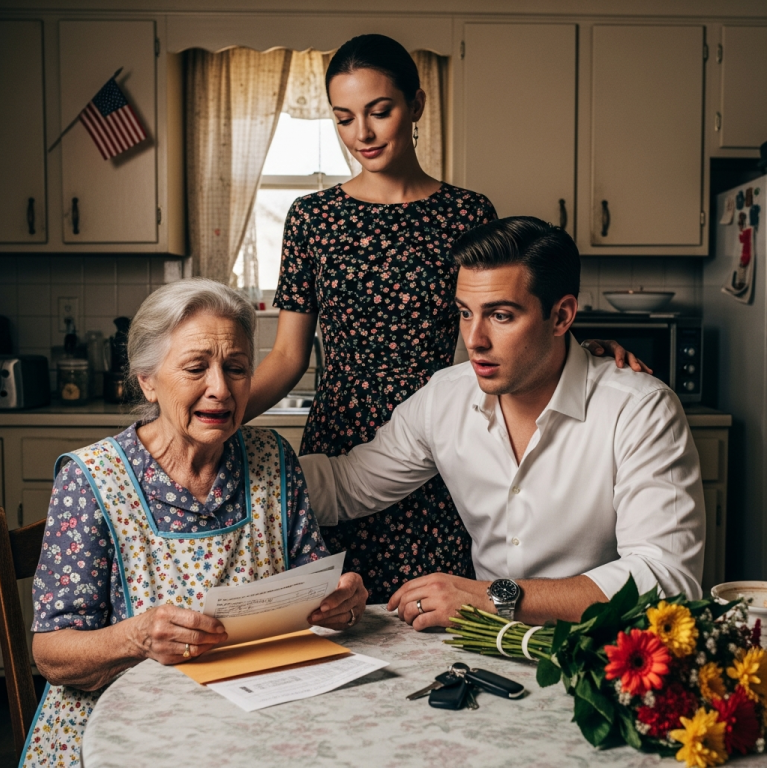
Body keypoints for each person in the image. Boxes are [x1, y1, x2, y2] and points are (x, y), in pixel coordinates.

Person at [245, 33, 646, 603]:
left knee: (441, 611)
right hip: (343, 442)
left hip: (451, 441)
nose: (362, 133)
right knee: (338, 610)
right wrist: (208, 419)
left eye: (379, 111)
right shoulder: (312, 217)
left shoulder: (467, 211)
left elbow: (510, 304)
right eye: (343, 119)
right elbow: (288, 357)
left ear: (416, 106)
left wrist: (585, 350)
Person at [299, 216, 705, 630]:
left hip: (602, 653)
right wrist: (237, 460)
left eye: (501, 316)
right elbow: (347, 485)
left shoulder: (639, 408)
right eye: (464, 313)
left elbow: (667, 579)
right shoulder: (445, 396)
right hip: (485, 652)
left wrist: (495, 597)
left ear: (561, 316)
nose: (474, 339)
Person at [24, 279, 367, 768]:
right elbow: (51, 654)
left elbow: (312, 589)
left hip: (250, 714)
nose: (221, 390)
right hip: (118, 731)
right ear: (147, 379)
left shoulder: (272, 457)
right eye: (195, 368)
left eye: (236, 368)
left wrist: (339, 599)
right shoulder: (90, 479)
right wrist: (137, 636)